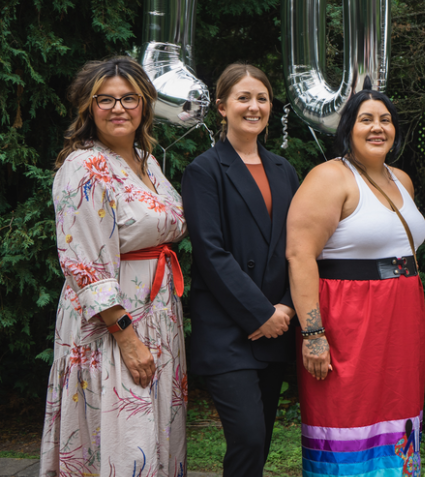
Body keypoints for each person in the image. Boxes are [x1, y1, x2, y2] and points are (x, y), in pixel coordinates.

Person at [40, 56, 187, 476]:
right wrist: (126, 337)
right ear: (88, 107)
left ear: (145, 104)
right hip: (113, 325)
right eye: (105, 99)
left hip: (157, 315)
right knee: (125, 436)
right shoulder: (84, 166)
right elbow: (84, 264)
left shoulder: (146, 159)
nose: (118, 108)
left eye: (129, 98)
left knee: (155, 433)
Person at [285, 89, 425, 477]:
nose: (378, 127)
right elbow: (300, 256)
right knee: (346, 413)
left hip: (399, 318)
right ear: (349, 128)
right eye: (366, 119)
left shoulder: (402, 180)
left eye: (385, 119)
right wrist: (313, 332)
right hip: (348, 317)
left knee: (397, 411)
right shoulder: (330, 177)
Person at [182, 63, 300, 477]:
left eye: (262, 98)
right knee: (248, 438)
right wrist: (261, 314)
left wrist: (286, 308)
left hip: (277, 326)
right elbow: (211, 254)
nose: (254, 106)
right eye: (243, 98)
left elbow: (299, 249)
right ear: (222, 107)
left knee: (260, 445)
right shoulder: (204, 170)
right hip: (229, 329)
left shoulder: (285, 171)